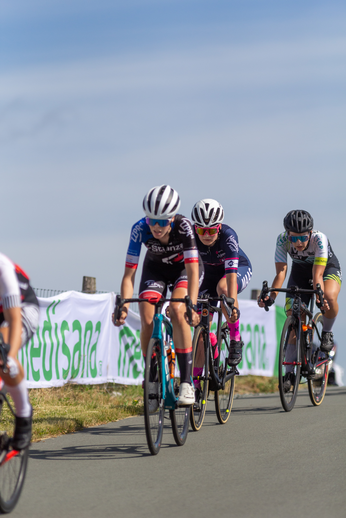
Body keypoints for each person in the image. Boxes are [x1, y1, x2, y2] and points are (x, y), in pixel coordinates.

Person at [113, 185, 202, 408]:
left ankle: (186, 382)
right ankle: (151, 376)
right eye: (151, 220)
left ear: (172, 219)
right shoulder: (139, 229)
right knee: (147, 316)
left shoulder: (185, 227)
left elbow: (192, 272)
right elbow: (128, 275)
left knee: (178, 311)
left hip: (184, 270)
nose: (156, 227)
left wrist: (190, 304)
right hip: (155, 270)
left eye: (162, 222)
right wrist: (124, 305)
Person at [258, 209, 342, 390]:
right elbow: (281, 272)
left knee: (328, 296)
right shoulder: (281, 240)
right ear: (287, 234)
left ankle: (327, 331)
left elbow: (317, 275)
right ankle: (289, 372)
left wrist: (319, 297)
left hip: (325, 268)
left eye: (303, 237)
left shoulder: (319, 239)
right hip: (300, 271)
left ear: (310, 233)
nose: (298, 242)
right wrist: (271, 297)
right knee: (293, 315)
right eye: (293, 238)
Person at [191, 199, 252, 368]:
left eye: (211, 230)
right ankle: (194, 384)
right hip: (207, 276)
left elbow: (231, 276)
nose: (206, 235)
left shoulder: (229, 236)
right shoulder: (189, 237)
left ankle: (235, 338)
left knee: (223, 288)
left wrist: (231, 304)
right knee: (201, 332)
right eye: (201, 230)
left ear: (219, 227)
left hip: (235, 270)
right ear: (196, 228)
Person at [0, 253, 39, 449]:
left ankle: (23, 413)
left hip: (21, 309)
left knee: (3, 358)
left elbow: (14, 320)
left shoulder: (2, 267)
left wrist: (9, 355)